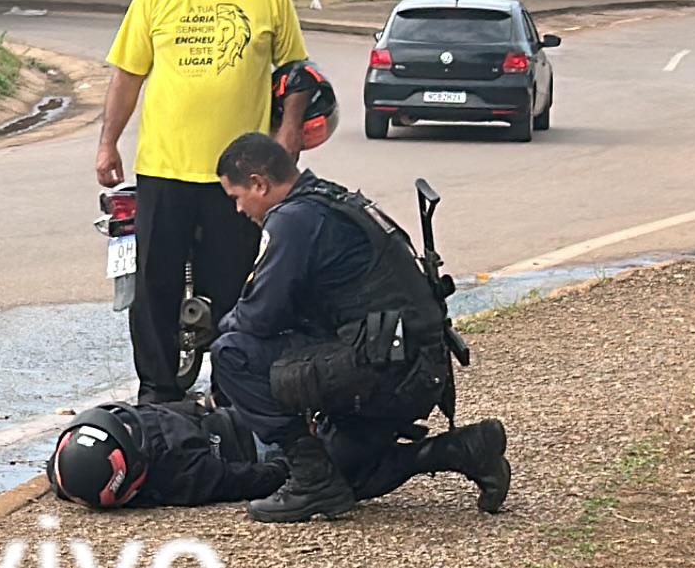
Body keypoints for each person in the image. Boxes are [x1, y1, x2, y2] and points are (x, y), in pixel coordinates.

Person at [206, 132, 511, 523]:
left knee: (231, 352)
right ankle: (465, 449)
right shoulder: (333, 200)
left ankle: (311, 481)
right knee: (349, 478)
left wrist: (220, 325)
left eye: (236, 197)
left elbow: (259, 315)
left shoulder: (293, 219)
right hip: (415, 367)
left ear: (259, 184)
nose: (238, 209)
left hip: (382, 369)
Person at [93, 0, 309, 402]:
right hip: (164, 168)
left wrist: (288, 138)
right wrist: (108, 143)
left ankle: (231, 393)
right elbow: (128, 75)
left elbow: (295, 74)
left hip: (239, 178)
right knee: (154, 289)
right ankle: (158, 392)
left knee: (235, 286)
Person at [42, 397, 287, 510]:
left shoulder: (179, 472)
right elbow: (240, 480)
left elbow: (241, 480)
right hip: (248, 427)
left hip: (246, 430)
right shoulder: (177, 467)